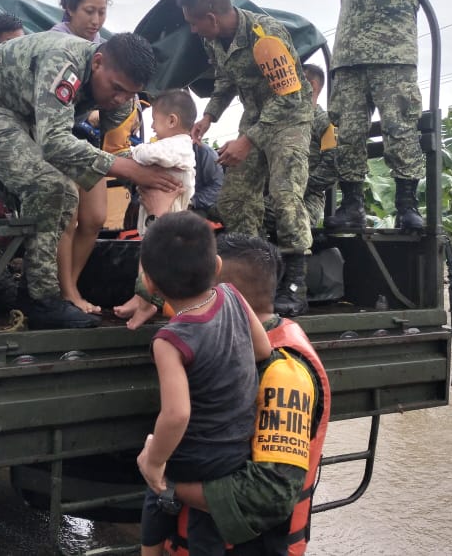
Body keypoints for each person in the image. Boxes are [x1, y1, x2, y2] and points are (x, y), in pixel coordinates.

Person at [0, 31, 179, 329]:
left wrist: (151, 173)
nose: (120, 99)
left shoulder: (121, 92)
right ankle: (40, 298)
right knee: (50, 186)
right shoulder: (63, 62)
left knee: (64, 194)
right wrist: (130, 170)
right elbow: (54, 143)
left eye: (129, 93)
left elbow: (117, 150)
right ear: (97, 62)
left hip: (25, 116)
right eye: (117, 89)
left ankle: (33, 290)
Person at [161, 234, 330, 555]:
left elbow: (270, 495)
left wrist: (167, 488)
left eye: (197, 287)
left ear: (226, 295)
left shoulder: (283, 373)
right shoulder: (230, 339)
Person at [134, 213, 273, 556]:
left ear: (150, 284)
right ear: (218, 265)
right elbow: (263, 349)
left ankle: (150, 550)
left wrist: (154, 461)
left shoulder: (170, 340)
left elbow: (177, 414)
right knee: (205, 524)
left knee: (156, 480)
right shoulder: (233, 296)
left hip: (196, 457)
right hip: (237, 450)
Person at [290, 0, 434, 232]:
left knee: (400, 126)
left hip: (393, 52)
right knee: (347, 133)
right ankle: (352, 204)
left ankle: (406, 205)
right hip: (349, 54)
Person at [181, 0, 314, 317]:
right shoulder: (215, 42)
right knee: (234, 199)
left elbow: (287, 96)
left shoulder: (265, 35)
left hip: (289, 119)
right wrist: (209, 116)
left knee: (285, 196)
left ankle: (296, 284)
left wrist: (247, 140)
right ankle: (256, 273)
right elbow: (225, 80)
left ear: (211, 18)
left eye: (195, 23)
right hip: (255, 121)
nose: (194, 30)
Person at [50, 0, 112, 314]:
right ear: (70, 9)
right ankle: (69, 292)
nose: (96, 20)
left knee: (96, 218)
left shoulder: (104, 49)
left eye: (102, 12)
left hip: (90, 140)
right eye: (89, 11)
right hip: (61, 137)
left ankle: (69, 288)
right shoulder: (55, 43)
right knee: (69, 219)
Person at [113, 90, 198, 330]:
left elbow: (149, 153)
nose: (151, 127)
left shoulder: (178, 145)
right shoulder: (172, 144)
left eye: (154, 121)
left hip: (167, 218)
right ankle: (139, 298)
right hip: (157, 213)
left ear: (172, 120)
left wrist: (133, 151)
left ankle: (149, 304)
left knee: (156, 261)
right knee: (145, 257)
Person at [301, 63, 339, 227]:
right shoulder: (286, 123)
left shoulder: (326, 122)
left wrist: (297, 186)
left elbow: (332, 165)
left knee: (249, 214)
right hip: (276, 197)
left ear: (312, 86)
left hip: (307, 200)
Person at [190, 141, 223, 219]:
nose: (154, 128)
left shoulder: (205, 152)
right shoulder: (164, 152)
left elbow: (217, 187)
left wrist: (192, 202)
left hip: (201, 205)